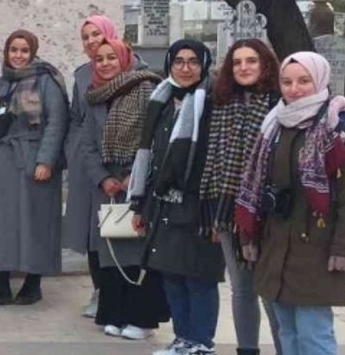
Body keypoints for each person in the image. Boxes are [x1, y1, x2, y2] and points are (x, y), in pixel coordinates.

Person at [236, 52, 345, 355]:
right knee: (287, 331)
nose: (294, 89)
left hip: (318, 247)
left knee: (313, 334)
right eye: (287, 82)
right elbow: (256, 186)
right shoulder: (275, 125)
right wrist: (249, 236)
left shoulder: (341, 128)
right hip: (276, 244)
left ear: (320, 81)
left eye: (303, 81)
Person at [128, 40, 224, 355]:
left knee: (197, 276)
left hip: (198, 203)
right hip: (162, 201)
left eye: (193, 61)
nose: (185, 68)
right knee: (171, 273)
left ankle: (201, 342)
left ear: (204, 65)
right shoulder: (163, 100)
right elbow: (150, 154)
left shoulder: (214, 103)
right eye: (178, 61)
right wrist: (140, 204)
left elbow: (218, 159)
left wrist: (217, 212)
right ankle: (183, 338)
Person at [82, 38, 169, 340]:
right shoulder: (94, 96)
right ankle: (114, 315)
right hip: (107, 185)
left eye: (111, 57)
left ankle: (142, 320)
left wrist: (136, 173)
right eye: (99, 59)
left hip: (139, 181)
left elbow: (155, 137)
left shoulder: (146, 88)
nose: (105, 63)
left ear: (125, 59)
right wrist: (103, 177)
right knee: (111, 253)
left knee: (138, 252)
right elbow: (87, 145)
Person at [0, 29, 68, 308]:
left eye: (24, 50)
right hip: (7, 159)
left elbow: (57, 121)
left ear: (33, 52)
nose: (18, 55)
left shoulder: (46, 79)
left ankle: (33, 284)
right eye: (13, 50)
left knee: (35, 223)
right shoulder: (6, 80)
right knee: (3, 226)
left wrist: (46, 160)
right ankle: (1, 285)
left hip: (34, 160)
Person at [205, 39, 281, 355]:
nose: (244, 67)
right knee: (241, 289)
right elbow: (213, 158)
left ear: (265, 64)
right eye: (237, 62)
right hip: (227, 208)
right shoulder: (221, 103)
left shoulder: (279, 102)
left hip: (267, 211)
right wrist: (213, 213)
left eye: (251, 61)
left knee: (271, 291)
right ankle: (247, 349)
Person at [64, 15, 118, 319]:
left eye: (96, 34)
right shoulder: (83, 75)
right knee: (92, 231)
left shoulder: (131, 69)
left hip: (118, 161)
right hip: (87, 160)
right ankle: (99, 290)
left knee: (117, 228)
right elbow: (76, 117)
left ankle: (119, 292)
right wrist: (73, 149)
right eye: (85, 37)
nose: (91, 41)